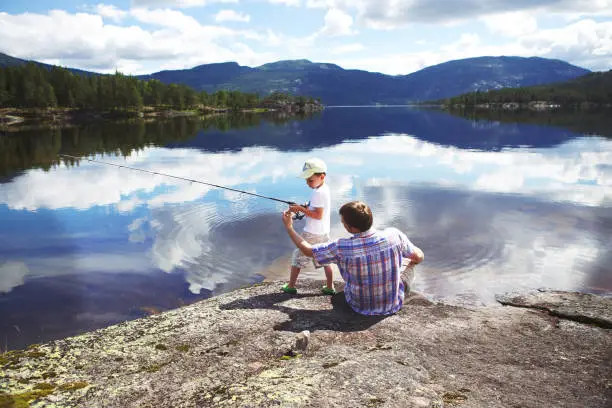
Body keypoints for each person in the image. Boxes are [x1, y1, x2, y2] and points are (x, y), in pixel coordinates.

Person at [282, 200, 424, 316]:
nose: (342, 224)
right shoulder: (394, 235)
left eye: (343, 222)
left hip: (357, 305)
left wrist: (289, 227)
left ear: (350, 228)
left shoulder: (342, 247)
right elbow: (419, 257)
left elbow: (308, 251)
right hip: (392, 305)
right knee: (409, 260)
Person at [281, 158, 336, 295]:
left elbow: (317, 215)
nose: (307, 183)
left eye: (310, 180)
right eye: (306, 180)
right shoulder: (324, 189)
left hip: (312, 233)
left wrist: (300, 208)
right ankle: (330, 287)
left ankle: (291, 286)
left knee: (297, 258)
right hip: (324, 232)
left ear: (321, 176)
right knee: (325, 259)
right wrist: (305, 206)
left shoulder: (317, 193)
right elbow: (318, 208)